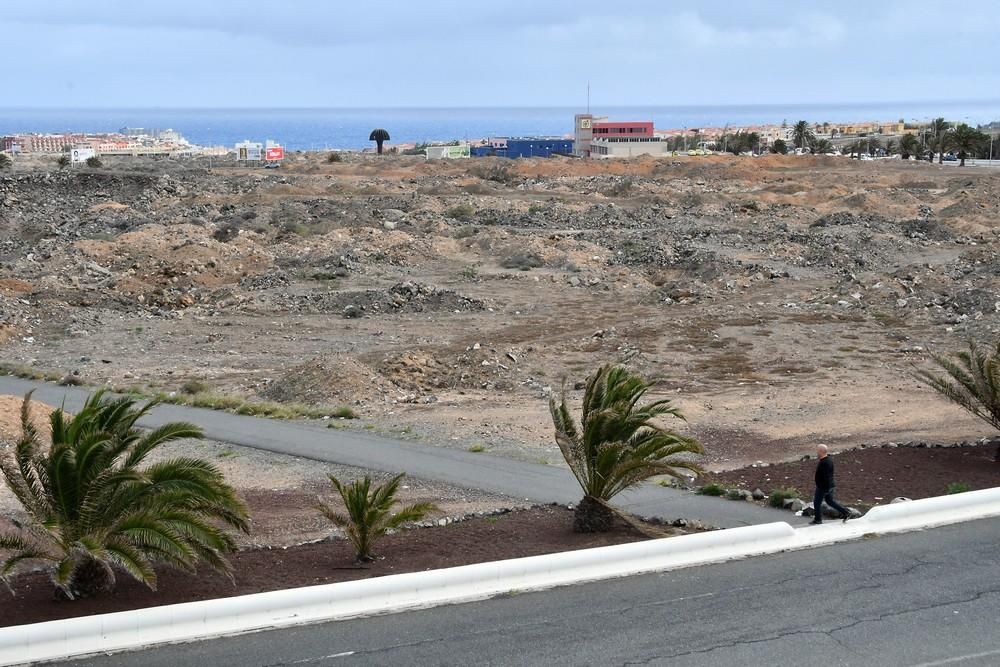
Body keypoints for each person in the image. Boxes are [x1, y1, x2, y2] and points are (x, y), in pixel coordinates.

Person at [810, 444, 851, 524]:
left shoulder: (824, 462)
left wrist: (826, 488)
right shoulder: (828, 460)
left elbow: (826, 476)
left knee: (816, 503)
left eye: (817, 451)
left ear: (821, 451)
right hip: (829, 485)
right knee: (830, 501)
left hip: (823, 487)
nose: (817, 452)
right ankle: (846, 512)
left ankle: (818, 519)